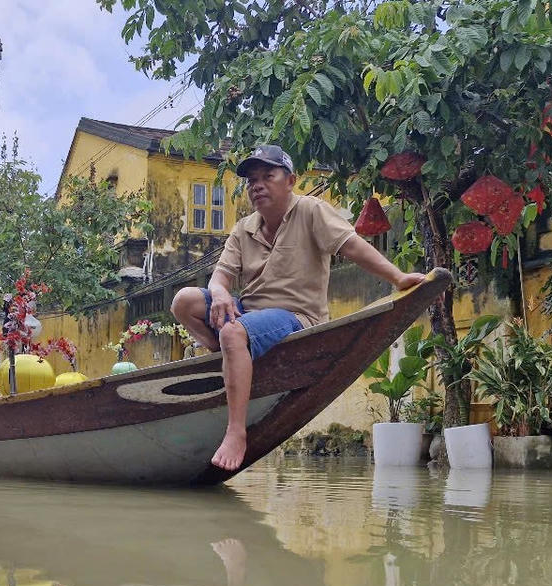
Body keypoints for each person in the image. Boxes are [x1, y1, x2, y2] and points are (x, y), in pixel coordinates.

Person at [170, 145, 427, 471]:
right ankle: (226, 353)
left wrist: (398, 276)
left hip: (294, 317)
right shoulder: (243, 228)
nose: (257, 185)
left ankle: (236, 431)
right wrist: (219, 293)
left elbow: (354, 247)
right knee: (184, 301)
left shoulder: (311, 211)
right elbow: (219, 278)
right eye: (252, 180)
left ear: (290, 180)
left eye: (268, 176)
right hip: (249, 312)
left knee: (234, 333)